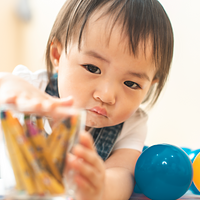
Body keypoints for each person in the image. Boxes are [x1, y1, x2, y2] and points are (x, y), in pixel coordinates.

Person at [0, 0, 174, 199]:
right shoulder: (32, 87)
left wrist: (101, 188)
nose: (106, 95)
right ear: (57, 55)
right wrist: (12, 88)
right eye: (93, 68)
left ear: (150, 85)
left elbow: (123, 173)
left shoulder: (131, 124)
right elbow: (6, 84)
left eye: (131, 83)